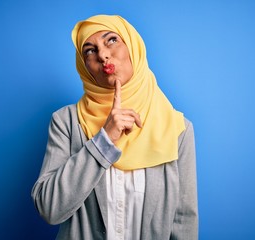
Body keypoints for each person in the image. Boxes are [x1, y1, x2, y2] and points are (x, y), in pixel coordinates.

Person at [31, 14, 198, 240]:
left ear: (133, 47)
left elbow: (184, 221)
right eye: (90, 50)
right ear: (85, 68)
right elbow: (49, 208)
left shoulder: (177, 129)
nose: (102, 54)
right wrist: (104, 141)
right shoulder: (67, 122)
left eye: (111, 40)